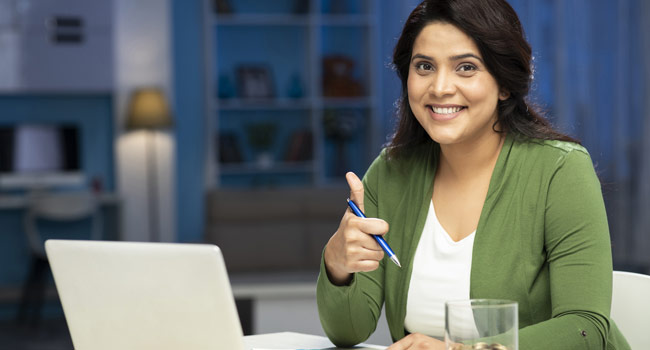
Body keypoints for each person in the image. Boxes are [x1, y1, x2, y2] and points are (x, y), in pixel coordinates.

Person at [316, 0, 630, 349]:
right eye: (424, 66)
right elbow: (348, 331)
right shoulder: (390, 174)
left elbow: (585, 328)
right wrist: (337, 263)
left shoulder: (560, 170)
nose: (439, 88)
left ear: (505, 84)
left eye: (466, 67)